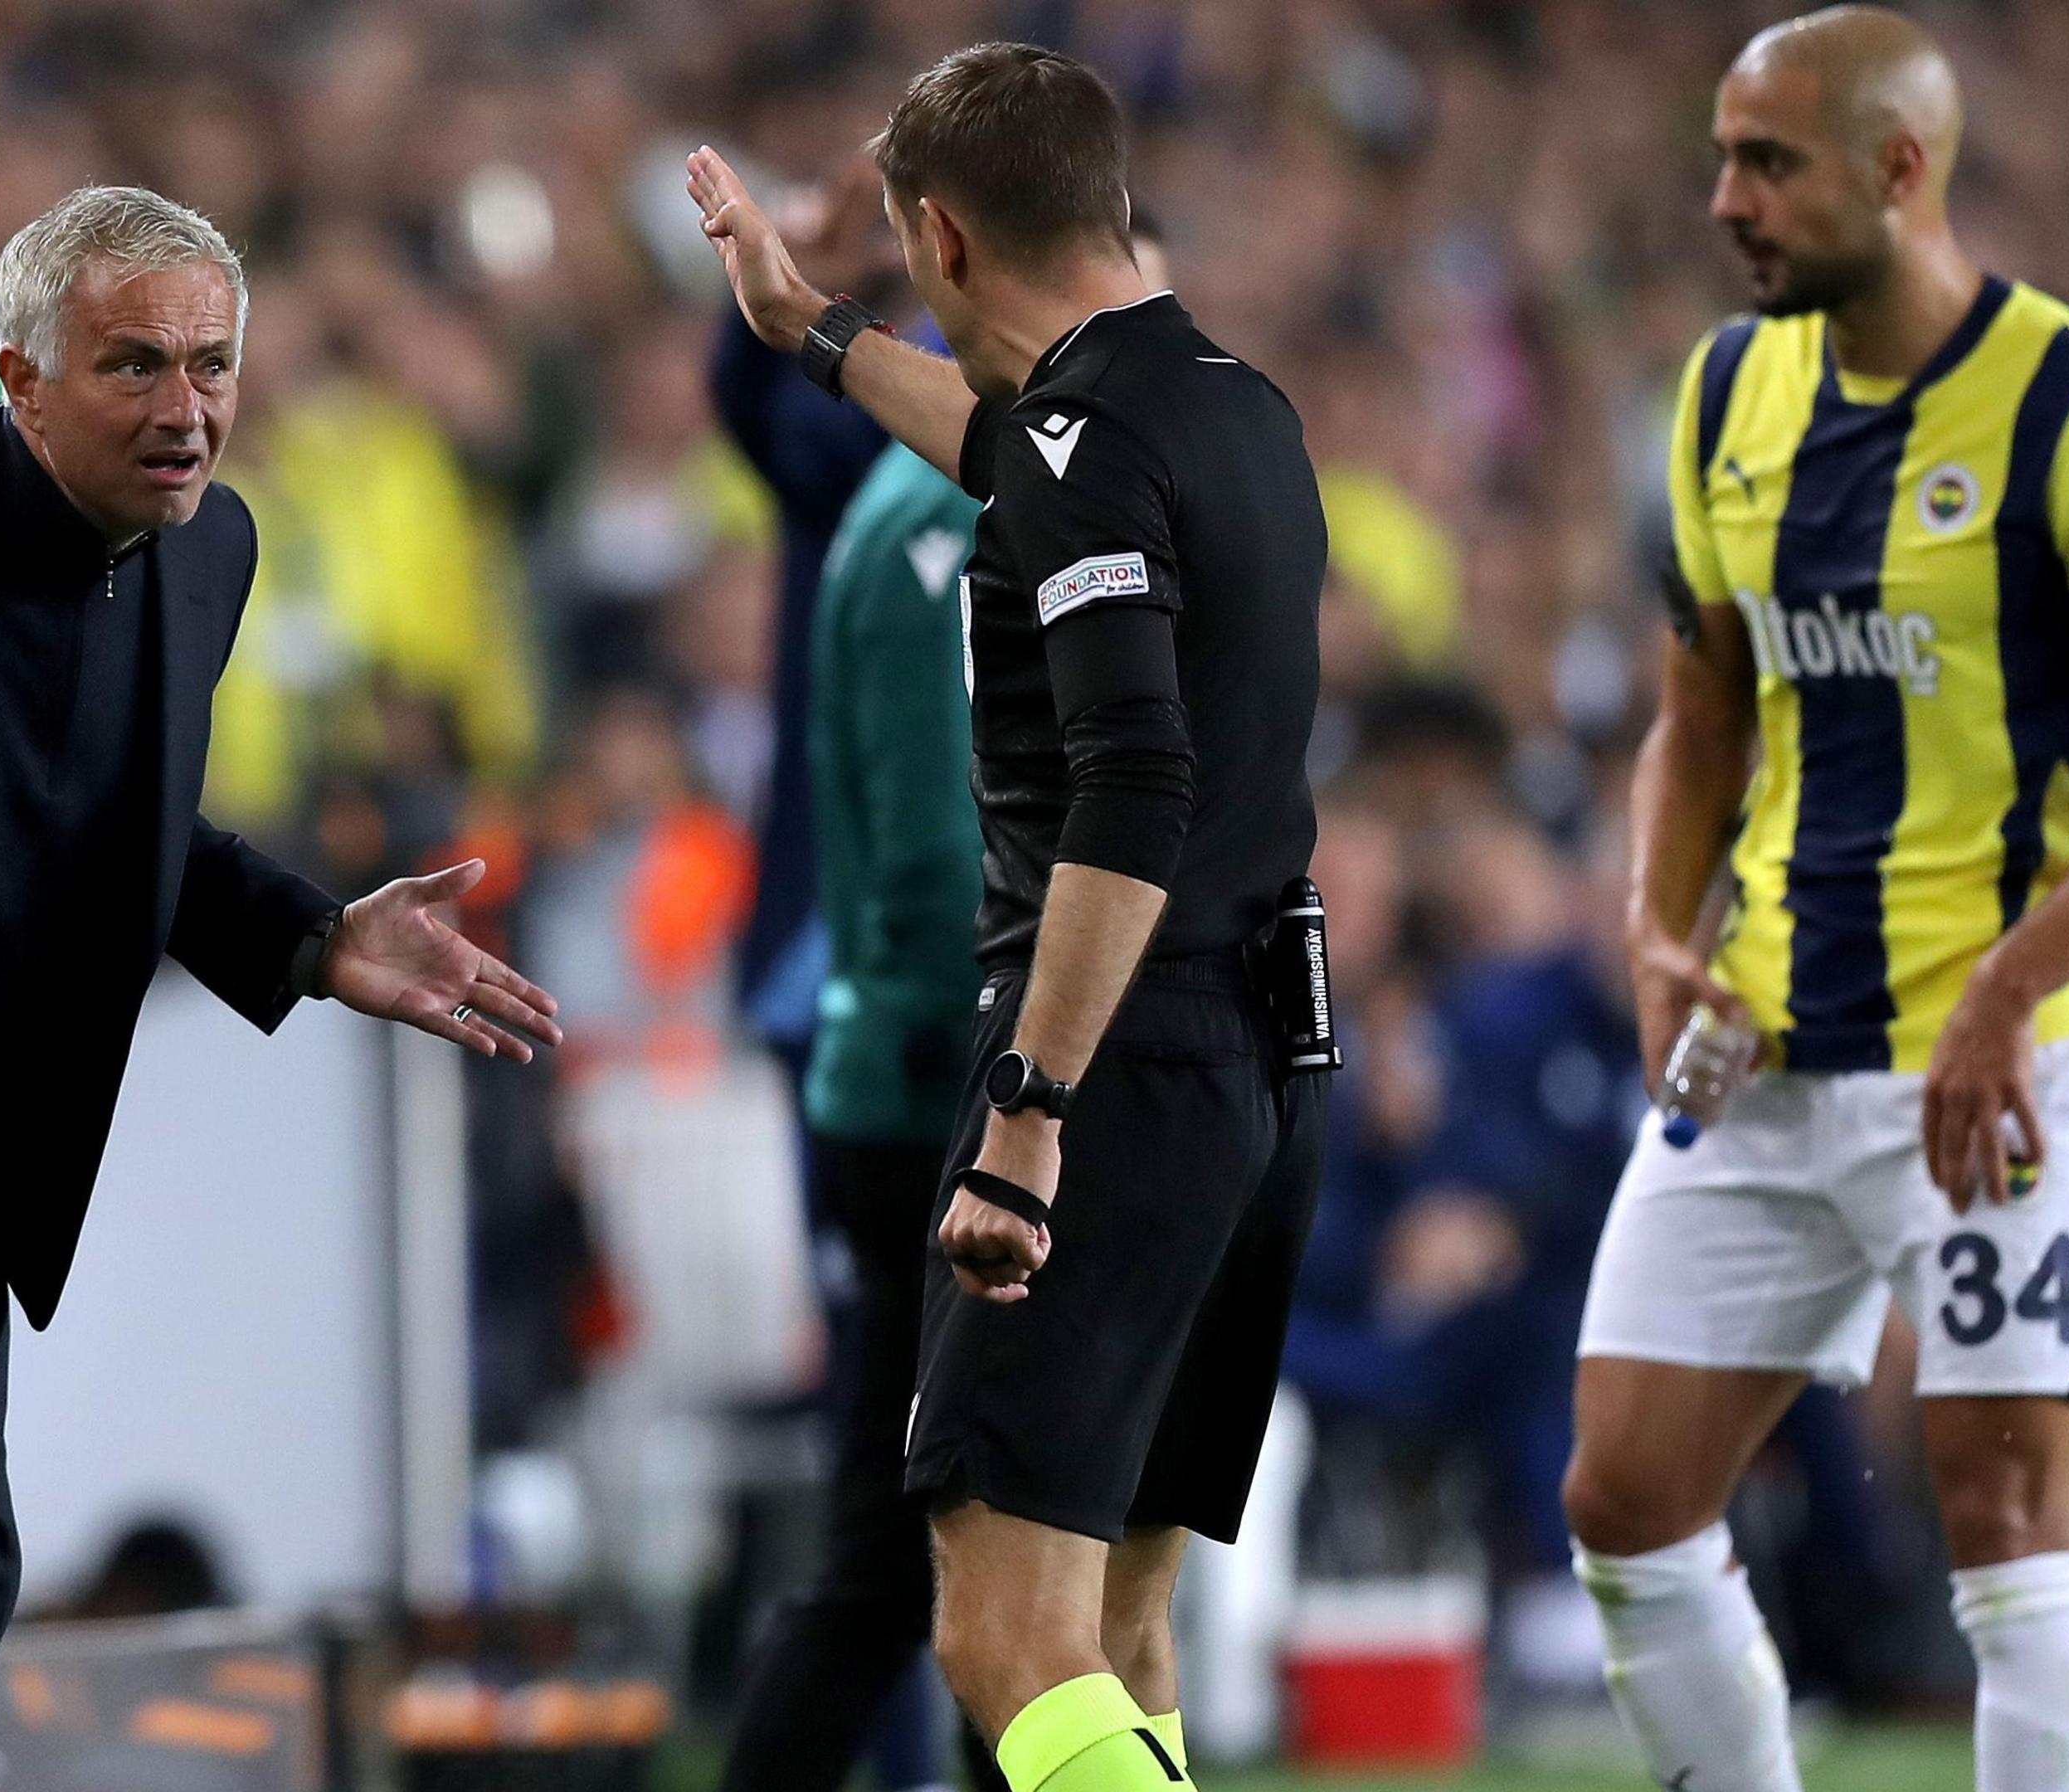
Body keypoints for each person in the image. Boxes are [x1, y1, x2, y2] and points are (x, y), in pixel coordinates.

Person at [0, 185, 562, 1792]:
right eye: (136, 367)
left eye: (213, 366)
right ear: (19, 381)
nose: (187, 410)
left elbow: (116, 817)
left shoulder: (207, 547)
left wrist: (309, 937)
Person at [693, 41, 1327, 1792]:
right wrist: (811, 325)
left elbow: (1134, 793)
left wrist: (1029, 1113)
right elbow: (1002, 449)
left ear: (948, 240)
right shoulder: (1227, 403)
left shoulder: (1086, 455)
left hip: (1115, 1066)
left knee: (993, 1628)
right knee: (1120, 1622)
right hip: (1269, 1056)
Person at [1561, 9, 2069, 1790]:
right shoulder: (1724, 393)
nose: (1726, 198)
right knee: (1624, 1504)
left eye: (1768, 161)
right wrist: (1654, 927)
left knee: (2010, 1508)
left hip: (2008, 1064)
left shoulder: (2068, 407)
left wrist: (2013, 992)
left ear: (1900, 168)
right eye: (1721, 156)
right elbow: (1699, 707)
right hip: (1769, 1044)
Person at [717, 421, 996, 1792]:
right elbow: (946, 857)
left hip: (909, 1081)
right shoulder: (943, 518)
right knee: (1013, 1558)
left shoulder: (916, 506)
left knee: (899, 1568)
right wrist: (1016, 1068)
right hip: (952, 1090)